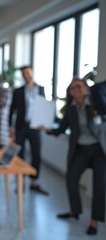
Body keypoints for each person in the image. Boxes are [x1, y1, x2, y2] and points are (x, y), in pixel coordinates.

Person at [45, 78, 106, 235]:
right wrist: (47, 129)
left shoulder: (96, 102)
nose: (76, 90)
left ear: (86, 88)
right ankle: (75, 211)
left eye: (79, 86)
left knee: (99, 185)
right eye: (72, 88)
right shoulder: (71, 108)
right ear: (70, 92)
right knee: (71, 178)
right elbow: (62, 127)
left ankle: (94, 221)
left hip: (99, 149)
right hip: (81, 149)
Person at [8, 65, 49, 195]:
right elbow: (11, 110)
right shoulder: (18, 91)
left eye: (28, 73)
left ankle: (34, 182)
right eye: (23, 74)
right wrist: (10, 126)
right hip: (21, 126)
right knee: (20, 154)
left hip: (35, 126)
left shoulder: (41, 89)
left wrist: (45, 123)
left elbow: (44, 107)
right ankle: (21, 181)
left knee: (36, 154)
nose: (26, 75)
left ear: (32, 73)